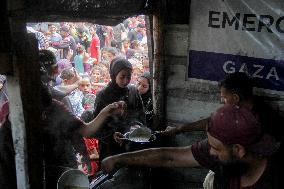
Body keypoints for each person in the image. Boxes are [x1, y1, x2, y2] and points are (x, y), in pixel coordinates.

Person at [101, 104, 281, 189]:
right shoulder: (220, 153)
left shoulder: (273, 179)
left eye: (216, 148)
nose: (210, 151)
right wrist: (119, 159)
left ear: (238, 149)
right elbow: (169, 157)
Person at [38, 49, 127, 188]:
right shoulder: (14, 116)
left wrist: (105, 112)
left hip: (63, 166)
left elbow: (84, 130)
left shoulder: (56, 106)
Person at [92, 57, 145, 162]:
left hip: (132, 144)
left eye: (128, 77)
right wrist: (112, 135)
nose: (125, 81)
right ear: (113, 75)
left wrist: (138, 125)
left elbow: (141, 114)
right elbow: (97, 125)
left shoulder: (133, 91)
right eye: (122, 77)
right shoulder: (103, 96)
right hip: (110, 148)